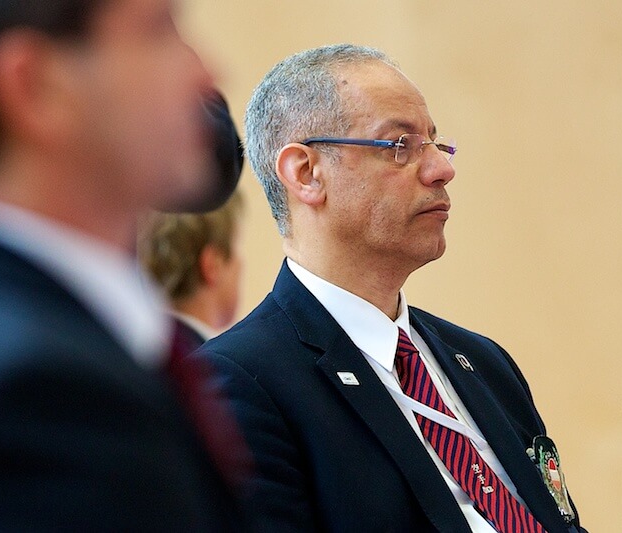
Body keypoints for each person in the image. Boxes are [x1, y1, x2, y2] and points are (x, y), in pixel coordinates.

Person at [198, 44, 587, 532]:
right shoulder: (237, 384)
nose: (442, 169)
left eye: (436, 143)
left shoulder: (486, 363)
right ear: (306, 174)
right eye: (401, 146)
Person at [0, 0, 248, 529]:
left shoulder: (86, 337)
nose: (208, 74)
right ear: (35, 87)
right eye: (157, 31)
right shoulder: (36, 392)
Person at [139, 188, 245, 352]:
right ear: (213, 265)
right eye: (237, 248)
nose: (241, 264)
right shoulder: (212, 362)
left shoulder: (139, 349)